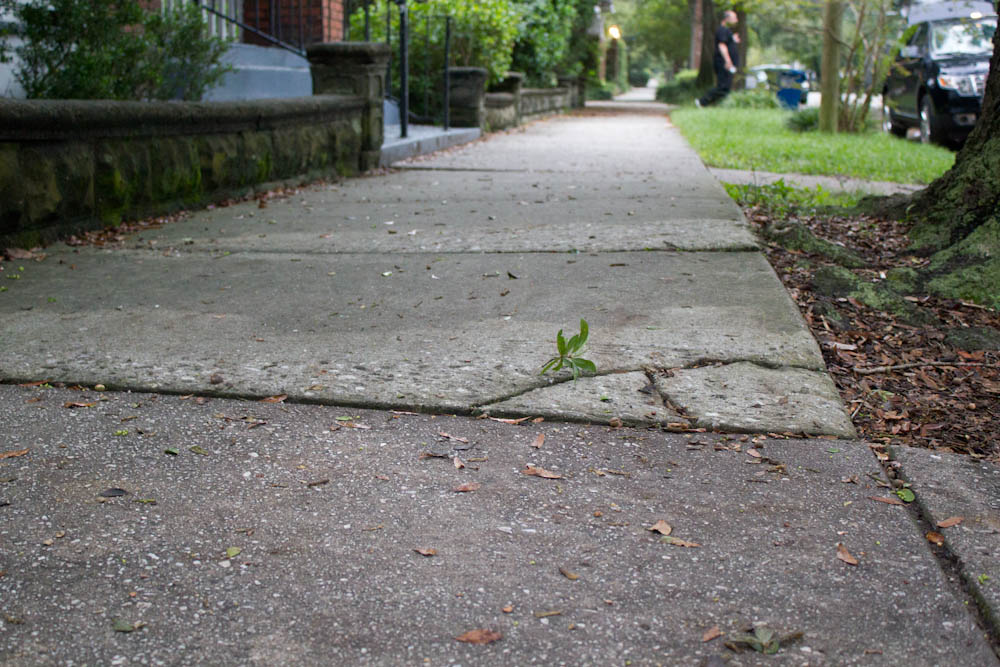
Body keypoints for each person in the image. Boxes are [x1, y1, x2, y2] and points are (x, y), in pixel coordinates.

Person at [697, 10, 740, 107]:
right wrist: (728, 61)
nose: (736, 21)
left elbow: (727, 43)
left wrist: (733, 39)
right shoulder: (722, 30)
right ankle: (702, 102)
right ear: (727, 19)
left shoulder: (726, 31)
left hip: (726, 63)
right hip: (723, 63)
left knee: (726, 87)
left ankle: (714, 104)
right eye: (734, 18)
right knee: (723, 87)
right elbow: (722, 46)